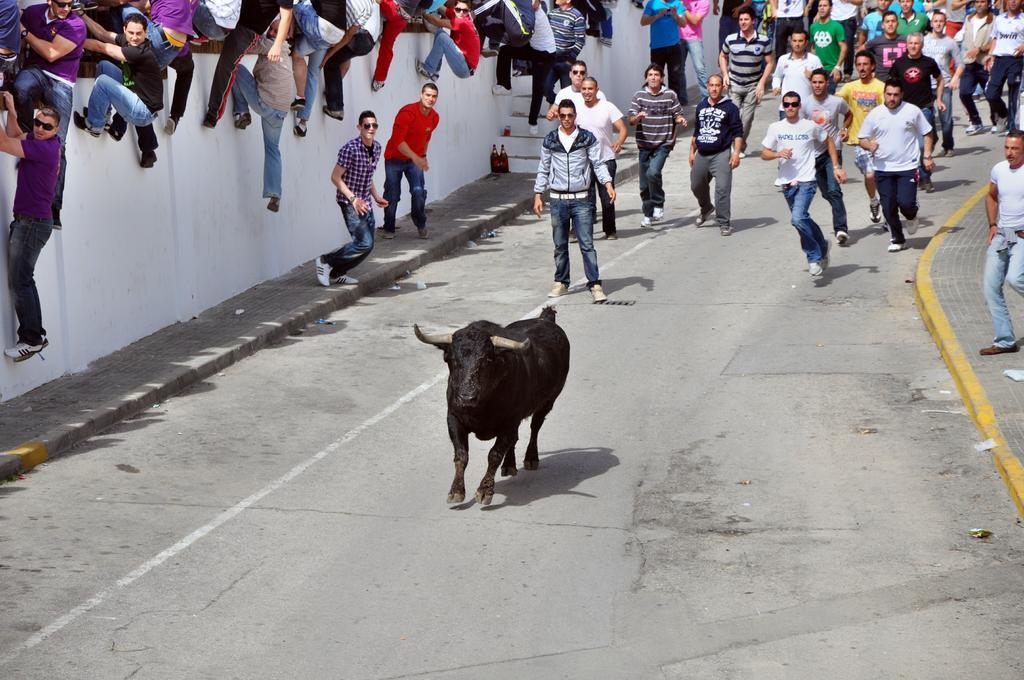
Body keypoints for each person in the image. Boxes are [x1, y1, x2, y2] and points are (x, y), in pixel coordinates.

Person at [533, 98, 615, 302]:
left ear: (575, 116)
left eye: (570, 115)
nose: (567, 119)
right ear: (558, 117)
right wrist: (537, 194)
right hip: (558, 199)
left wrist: (608, 183)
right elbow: (543, 168)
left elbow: (598, 163)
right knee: (560, 244)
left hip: (582, 200)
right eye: (563, 115)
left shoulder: (586, 138)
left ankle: (595, 284)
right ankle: (561, 282)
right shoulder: (551, 140)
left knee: (587, 244)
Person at [14, 0, 86, 227]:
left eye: (71, 4)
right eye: (62, 4)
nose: (67, 8)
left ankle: (54, 206)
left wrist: (24, 31)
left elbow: (52, 53)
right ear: (49, 2)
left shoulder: (76, 24)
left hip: (62, 82)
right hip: (35, 72)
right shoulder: (35, 12)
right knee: (20, 88)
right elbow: (13, 34)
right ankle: (27, 143)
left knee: (59, 145)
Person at [1, 95, 60, 362]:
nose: (39, 128)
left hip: (32, 224)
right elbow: (15, 135)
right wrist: (12, 110)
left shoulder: (46, 150)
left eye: (46, 126)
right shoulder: (38, 142)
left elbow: (3, 143)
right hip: (30, 222)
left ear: (56, 130)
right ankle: (34, 337)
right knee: (24, 280)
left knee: (20, 281)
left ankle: (32, 339)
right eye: (38, 122)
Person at [761, 90, 844, 276]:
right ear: (783, 106)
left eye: (794, 104)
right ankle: (822, 245)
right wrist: (777, 154)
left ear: (799, 106)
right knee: (801, 220)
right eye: (787, 104)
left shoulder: (810, 126)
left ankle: (813, 257)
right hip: (786, 182)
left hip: (807, 180)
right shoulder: (776, 127)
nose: (790, 107)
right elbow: (764, 153)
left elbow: (829, 141)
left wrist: (836, 166)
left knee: (797, 218)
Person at [857, 78, 934, 252]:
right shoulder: (876, 114)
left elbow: (928, 133)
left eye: (895, 95)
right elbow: (862, 138)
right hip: (883, 168)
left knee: (906, 204)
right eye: (889, 94)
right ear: (884, 94)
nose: (892, 98)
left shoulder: (912, 111)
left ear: (902, 95)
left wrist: (927, 156)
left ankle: (912, 213)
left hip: (907, 166)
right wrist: (869, 145)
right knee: (888, 206)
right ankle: (898, 239)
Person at [316, 111, 389, 287]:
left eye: (374, 125)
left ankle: (337, 273)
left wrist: (376, 196)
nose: (371, 129)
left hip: (365, 202)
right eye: (367, 125)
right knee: (364, 243)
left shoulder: (377, 147)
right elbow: (335, 177)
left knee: (367, 245)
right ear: (359, 127)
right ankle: (325, 261)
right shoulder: (350, 148)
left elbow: (367, 175)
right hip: (349, 201)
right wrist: (353, 199)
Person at [74, 13, 163, 154]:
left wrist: (71, 40)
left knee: (102, 82)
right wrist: (82, 14)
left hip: (143, 113)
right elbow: (102, 34)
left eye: (139, 33)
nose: (134, 37)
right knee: (104, 66)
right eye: (131, 33)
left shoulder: (141, 52)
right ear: (124, 30)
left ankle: (94, 126)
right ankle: (104, 117)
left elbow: (100, 47)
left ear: (146, 33)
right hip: (136, 97)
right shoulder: (128, 41)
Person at [203, 0, 293, 128]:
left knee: (226, 66)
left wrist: (277, 45)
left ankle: (213, 113)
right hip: (228, 14)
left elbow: (287, 15)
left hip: (247, 29)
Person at [231, 30, 292, 212]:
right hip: (281, 112)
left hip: (265, 104)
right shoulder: (287, 50)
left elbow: (247, 44)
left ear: (284, 34)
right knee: (273, 150)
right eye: (271, 30)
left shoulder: (271, 45)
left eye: (275, 30)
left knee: (233, 66)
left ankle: (242, 112)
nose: (271, 33)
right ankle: (275, 193)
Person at [980, 132, 1024, 355]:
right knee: (990, 288)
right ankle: (1005, 341)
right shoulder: (999, 169)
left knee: (1015, 279)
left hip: (1022, 236)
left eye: (1015, 149)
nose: (1010, 153)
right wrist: (992, 224)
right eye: (1007, 147)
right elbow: (991, 196)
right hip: (1002, 234)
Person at [629, 63, 687, 228]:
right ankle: (648, 214)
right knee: (643, 184)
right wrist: (638, 117)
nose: (653, 78)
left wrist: (680, 119)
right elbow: (631, 119)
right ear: (646, 78)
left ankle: (658, 203)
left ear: (662, 78)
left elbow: (677, 113)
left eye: (656, 75)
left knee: (653, 173)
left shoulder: (669, 95)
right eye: (650, 75)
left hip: (663, 143)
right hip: (644, 144)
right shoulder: (639, 96)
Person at [382, 83, 439, 239]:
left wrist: (424, 155)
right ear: (421, 95)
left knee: (419, 191)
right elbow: (398, 142)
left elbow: (426, 138)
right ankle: (389, 228)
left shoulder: (434, 117)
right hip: (394, 159)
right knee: (392, 195)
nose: (431, 99)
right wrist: (416, 157)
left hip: (415, 160)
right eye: (428, 95)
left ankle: (420, 223)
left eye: (434, 96)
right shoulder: (406, 113)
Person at [690, 73, 744, 235]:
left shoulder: (730, 107)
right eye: (711, 85)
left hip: (721, 154)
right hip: (702, 153)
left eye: (717, 85)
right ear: (707, 86)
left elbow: (738, 133)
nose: (714, 89)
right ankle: (706, 208)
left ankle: (724, 222)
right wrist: (691, 152)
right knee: (696, 185)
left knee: (722, 189)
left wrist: (736, 154)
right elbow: (696, 131)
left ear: (722, 87)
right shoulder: (701, 106)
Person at [493, 0, 556, 135]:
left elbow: (518, 32)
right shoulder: (526, 9)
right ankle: (505, 85)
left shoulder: (535, 18)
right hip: (533, 46)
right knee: (505, 51)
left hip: (545, 55)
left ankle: (533, 121)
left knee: (538, 89)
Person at [803, 68, 852, 243]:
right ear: (811, 83)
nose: (817, 85)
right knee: (826, 193)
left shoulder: (836, 102)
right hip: (813, 155)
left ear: (827, 83)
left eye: (821, 82)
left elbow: (848, 114)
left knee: (834, 190)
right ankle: (838, 209)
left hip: (833, 151)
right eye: (814, 82)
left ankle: (841, 229)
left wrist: (844, 129)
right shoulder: (805, 104)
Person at [890, 32, 943, 192]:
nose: (913, 46)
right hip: (904, 110)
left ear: (922, 45)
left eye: (916, 43)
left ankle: (925, 177)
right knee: (907, 146)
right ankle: (918, 175)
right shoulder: (899, 63)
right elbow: (891, 85)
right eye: (911, 43)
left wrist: (939, 99)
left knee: (922, 145)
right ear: (907, 44)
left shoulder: (929, 62)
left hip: (924, 108)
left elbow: (940, 80)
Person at [576, 76, 626, 238]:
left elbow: (622, 128)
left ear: (597, 90)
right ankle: (580, 231)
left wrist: (619, 141)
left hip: (606, 160)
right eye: (584, 89)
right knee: (585, 199)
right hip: (584, 161)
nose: (587, 92)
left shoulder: (607, 107)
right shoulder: (576, 109)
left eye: (590, 89)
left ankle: (610, 230)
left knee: (606, 198)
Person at [720, 6, 774, 156]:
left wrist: (762, 83)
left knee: (747, 119)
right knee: (733, 116)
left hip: (753, 85)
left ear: (753, 21)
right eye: (741, 20)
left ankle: (740, 146)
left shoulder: (763, 41)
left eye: (746, 19)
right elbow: (722, 56)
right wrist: (725, 74)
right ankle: (732, 145)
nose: (742, 22)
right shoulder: (731, 39)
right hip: (735, 84)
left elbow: (770, 62)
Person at [838, 50, 885, 222]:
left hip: (881, 142)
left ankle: (887, 208)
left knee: (883, 178)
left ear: (872, 66)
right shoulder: (850, 87)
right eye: (859, 64)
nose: (862, 68)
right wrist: (842, 128)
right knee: (870, 174)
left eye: (865, 64)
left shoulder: (881, 87)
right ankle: (874, 201)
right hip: (860, 141)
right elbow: (833, 103)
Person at [288, 0, 347, 136]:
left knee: (297, 55)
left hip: (319, 30)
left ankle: (300, 97)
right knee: (313, 73)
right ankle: (303, 123)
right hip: (332, 35)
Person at [320, 0, 378, 122]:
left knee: (331, 63)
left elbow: (347, 37)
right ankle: (333, 92)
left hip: (360, 38)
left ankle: (335, 106)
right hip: (369, 43)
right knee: (341, 59)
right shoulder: (369, 6)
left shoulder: (353, 4)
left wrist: (328, 56)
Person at [950, 0, 993, 136]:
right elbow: (963, 33)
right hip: (969, 62)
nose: (979, 4)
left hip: (984, 62)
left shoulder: (993, 20)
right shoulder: (969, 18)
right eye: (977, 2)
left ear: (988, 4)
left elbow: (994, 41)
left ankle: (998, 119)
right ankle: (976, 122)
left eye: (982, 2)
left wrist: (979, 49)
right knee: (964, 93)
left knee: (991, 94)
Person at [923, 11, 961, 157]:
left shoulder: (950, 42)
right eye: (935, 21)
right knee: (927, 118)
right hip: (925, 85)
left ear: (945, 23)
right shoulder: (923, 41)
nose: (938, 24)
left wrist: (955, 77)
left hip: (943, 85)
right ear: (931, 23)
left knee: (946, 119)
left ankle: (948, 145)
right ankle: (933, 138)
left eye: (941, 21)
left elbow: (960, 63)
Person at [983, 0, 1024, 135]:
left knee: (1014, 92)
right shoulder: (999, 19)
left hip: (1016, 60)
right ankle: (1003, 113)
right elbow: (995, 39)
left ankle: (1012, 127)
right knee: (991, 93)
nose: (1013, 1)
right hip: (1000, 59)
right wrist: (990, 56)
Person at [417, 1, 481, 81]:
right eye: (458, 9)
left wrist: (423, 12)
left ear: (469, 11)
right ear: (455, 8)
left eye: (465, 10)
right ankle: (435, 72)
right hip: (463, 63)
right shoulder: (462, 16)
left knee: (442, 38)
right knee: (439, 32)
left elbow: (438, 22)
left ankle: (428, 70)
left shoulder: (463, 22)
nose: (461, 12)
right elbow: (441, 7)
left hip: (465, 69)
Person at [641, 0, 686, 99]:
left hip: (674, 46)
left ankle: (674, 105)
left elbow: (683, 24)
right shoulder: (652, 3)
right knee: (656, 77)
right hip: (657, 47)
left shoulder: (677, 3)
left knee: (675, 77)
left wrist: (675, 16)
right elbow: (643, 22)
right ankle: (657, 102)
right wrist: (658, 15)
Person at [772, 29, 822, 114]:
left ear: (806, 43)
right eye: (794, 41)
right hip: (787, 108)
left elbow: (822, 83)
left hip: (807, 109)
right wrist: (776, 86)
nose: (797, 44)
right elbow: (777, 76)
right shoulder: (783, 59)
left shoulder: (814, 60)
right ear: (791, 42)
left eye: (800, 41)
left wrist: (812, 77)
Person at [546, 0, 586, 98]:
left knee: (568, 95)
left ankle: (564, 105)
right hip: (551, 60)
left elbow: (580, 41)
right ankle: (557, 104)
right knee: (545, 88)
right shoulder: (552, 14)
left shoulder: (577, 16)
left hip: (566, 62)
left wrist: (570, 60)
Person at [809, 0, 847, 90]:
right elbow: (813, 47)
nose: (822, 8)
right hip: (817, 69)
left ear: (831, 8)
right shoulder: (813, 27)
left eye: (825, 6)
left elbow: (844, 48)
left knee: (827, 99)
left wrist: (837, 67)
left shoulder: (837, 26)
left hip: (831, 70)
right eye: (820, 6)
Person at [678, 0, 709, 105]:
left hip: (695, 39)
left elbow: (695, 21)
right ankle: (682, 99)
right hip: (679, 38)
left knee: (700, 69)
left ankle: (706, 99)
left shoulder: (704, 2)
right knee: (679, 69)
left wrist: (683, 8)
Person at [372, 0, 408, 91]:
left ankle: (377, 32)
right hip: (405, 16)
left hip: (393, 7)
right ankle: (379, 80)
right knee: (388, 45)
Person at [865, 11, 906, 79]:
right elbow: (860, 54)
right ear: (882, 25)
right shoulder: (875, 42)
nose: (890, 24)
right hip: (881, 80)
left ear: (897, 24)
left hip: (901, 79)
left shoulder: (906, 40)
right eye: (887, 21)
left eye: (893, 21)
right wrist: (869, 71)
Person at [831, 0, 859, 78]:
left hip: (849, 18)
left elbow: (860, 2)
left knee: (848, 46)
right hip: (834, 18)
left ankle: (848, 72)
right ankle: (835, 71)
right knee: (834, 47)